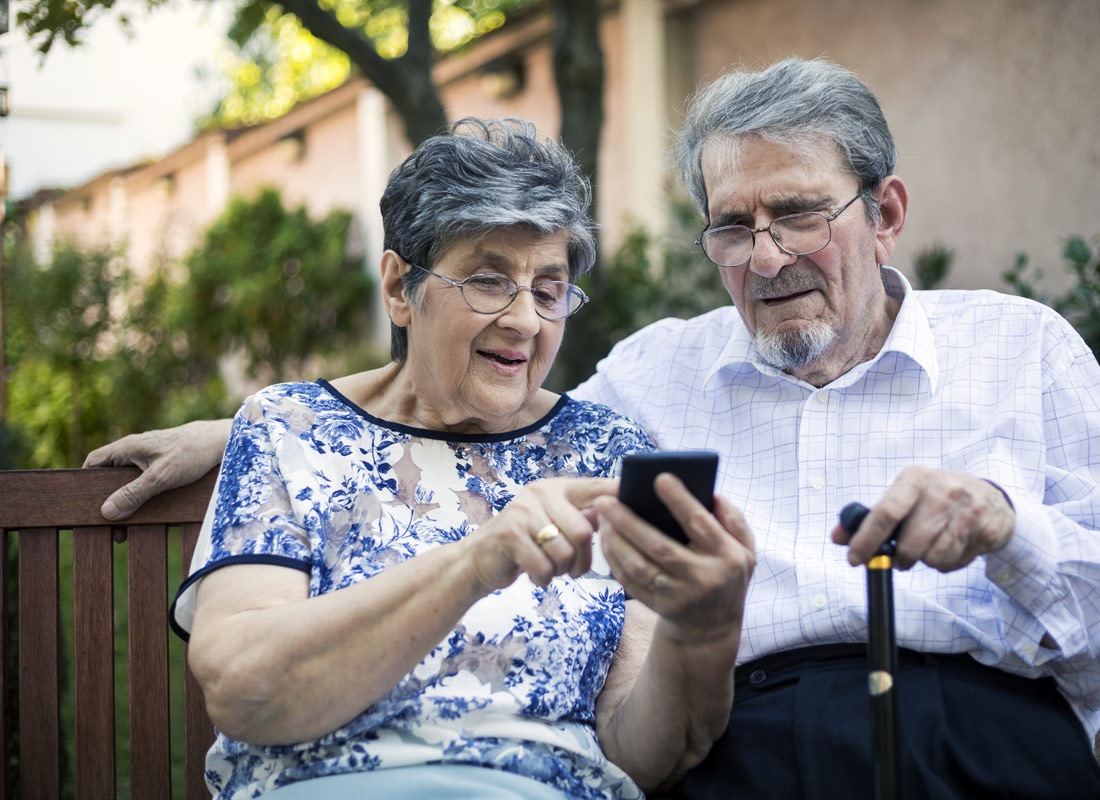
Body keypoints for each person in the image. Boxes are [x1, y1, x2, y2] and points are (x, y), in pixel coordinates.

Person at [86, 60, 1100, 798]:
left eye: (794, 213)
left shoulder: (1021, 348)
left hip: (976, 729)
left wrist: (1009, 528)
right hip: (746, 742)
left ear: (883, 211)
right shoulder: (653, 375)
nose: (762, 254)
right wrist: (251, 425)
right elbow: (451, 391)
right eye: (729, 226)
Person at [156, 117, 755, 800]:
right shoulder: (289, 431)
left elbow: (636, 754)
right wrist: (477, 561)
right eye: (488, 281)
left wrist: (699, 631)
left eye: (548, 290)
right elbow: (245, 691)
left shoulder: (605, 452)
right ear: (397, 288)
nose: (526, 321)